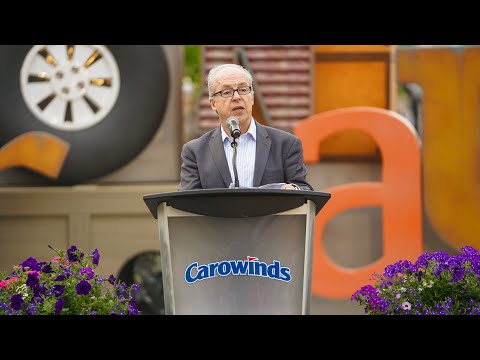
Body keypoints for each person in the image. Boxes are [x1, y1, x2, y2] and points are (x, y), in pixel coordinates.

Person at [179, 63, 313, 191]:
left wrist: (293, 189)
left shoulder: (286, 144)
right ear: (213, 104)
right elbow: (186, 200)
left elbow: (304, 190)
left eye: (243, 90)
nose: (237, 97)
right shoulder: (195, 152)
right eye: (226, 92)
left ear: (252, 98)